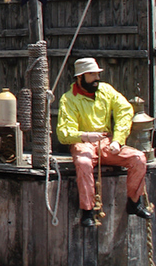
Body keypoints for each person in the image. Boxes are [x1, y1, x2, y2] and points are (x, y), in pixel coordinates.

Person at [57, 57, 153, 227]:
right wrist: (86, 136)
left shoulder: (106, 91)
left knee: (138, 158)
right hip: (83, 142)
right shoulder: (68, 99)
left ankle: (134, 202)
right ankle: (87, 211)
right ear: (80, 77)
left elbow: (124, 110)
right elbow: (64, 133)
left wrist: (117, 140)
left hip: (106, 142)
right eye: (91, 75)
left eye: (97, 74)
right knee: (84, 162)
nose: (96, 78)